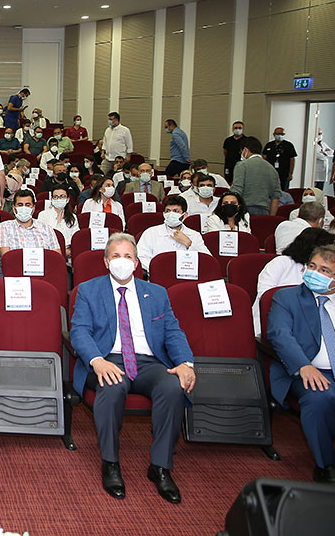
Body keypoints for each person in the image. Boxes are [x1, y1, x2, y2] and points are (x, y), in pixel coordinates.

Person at [70, 233, 196, 503]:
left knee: (173, 387)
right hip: (108, 358)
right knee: (112, 386)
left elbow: (173, 332)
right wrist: (96, 360)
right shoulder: (88, 290)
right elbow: (79, 331)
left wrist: (186, 363)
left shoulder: (157, 293)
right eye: (116, 256)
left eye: (127, 256)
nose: (122, 262)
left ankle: (161, 466)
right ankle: (111, 463)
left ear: (137, 262)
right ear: (106, 262)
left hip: (149, 362)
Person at [266, 244, 335, 484]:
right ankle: (326, 465)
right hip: (304, 370)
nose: (315, 273)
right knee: (321, 397)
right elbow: (280, 335)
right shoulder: (287, 297)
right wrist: (303, 365)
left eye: (325, 271)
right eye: (312, 267)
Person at [255, 228, 335, 335]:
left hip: (312, 326)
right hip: (275, 320)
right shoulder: (281, 262)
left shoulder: (326, 273)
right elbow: (265, 295)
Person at [135, 195, 210, 273]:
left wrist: (189, 244)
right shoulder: (151, 233)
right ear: (164, 214)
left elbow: (208, 261)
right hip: (158, 277)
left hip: (188, 277)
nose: (171, 214)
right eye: (168, 211)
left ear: (185, 215)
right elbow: (141, 257)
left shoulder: (194, 235)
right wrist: (158, 271)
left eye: (176, 211)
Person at [0, 190, 61, 255]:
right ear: (14, 208)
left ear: (33, 208)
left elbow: (56, 257)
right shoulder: (4, 227)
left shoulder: (46, 228)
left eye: (27, 205)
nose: (24, 208)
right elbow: (6, 258)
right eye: (20, 205)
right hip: (16, 264)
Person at [231, 136, 282, 216]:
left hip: (244, 210)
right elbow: (276, 197)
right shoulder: (271, 168)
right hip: (264, 211)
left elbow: (236, 190)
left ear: (245, 150)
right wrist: (271, 218)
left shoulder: (242, 165)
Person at [38, 185, 80, 260]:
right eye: (56, 196)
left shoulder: (73, 217)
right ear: (52, 199)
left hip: (68, 254)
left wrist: (67, 250)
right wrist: (62, 250)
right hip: (48, 252)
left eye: (62, 196)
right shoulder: (43, 215)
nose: (59, 199)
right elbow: (41, 237)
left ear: (67, 199)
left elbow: (75, 238)